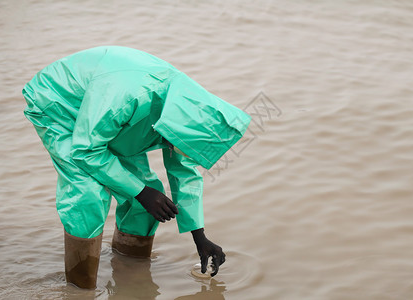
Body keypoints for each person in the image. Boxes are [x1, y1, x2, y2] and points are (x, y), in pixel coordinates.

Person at [22, 46, 251, 289]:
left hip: (114, 121)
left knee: (149, 193)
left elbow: (185, 171)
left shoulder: (190, 116)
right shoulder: (129, 97)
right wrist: (140, 192)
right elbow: (85, 150)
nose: (181, 151)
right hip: (61, 105)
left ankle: (130, 274)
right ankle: (80, 287)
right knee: (89, 194)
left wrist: (200, 236)